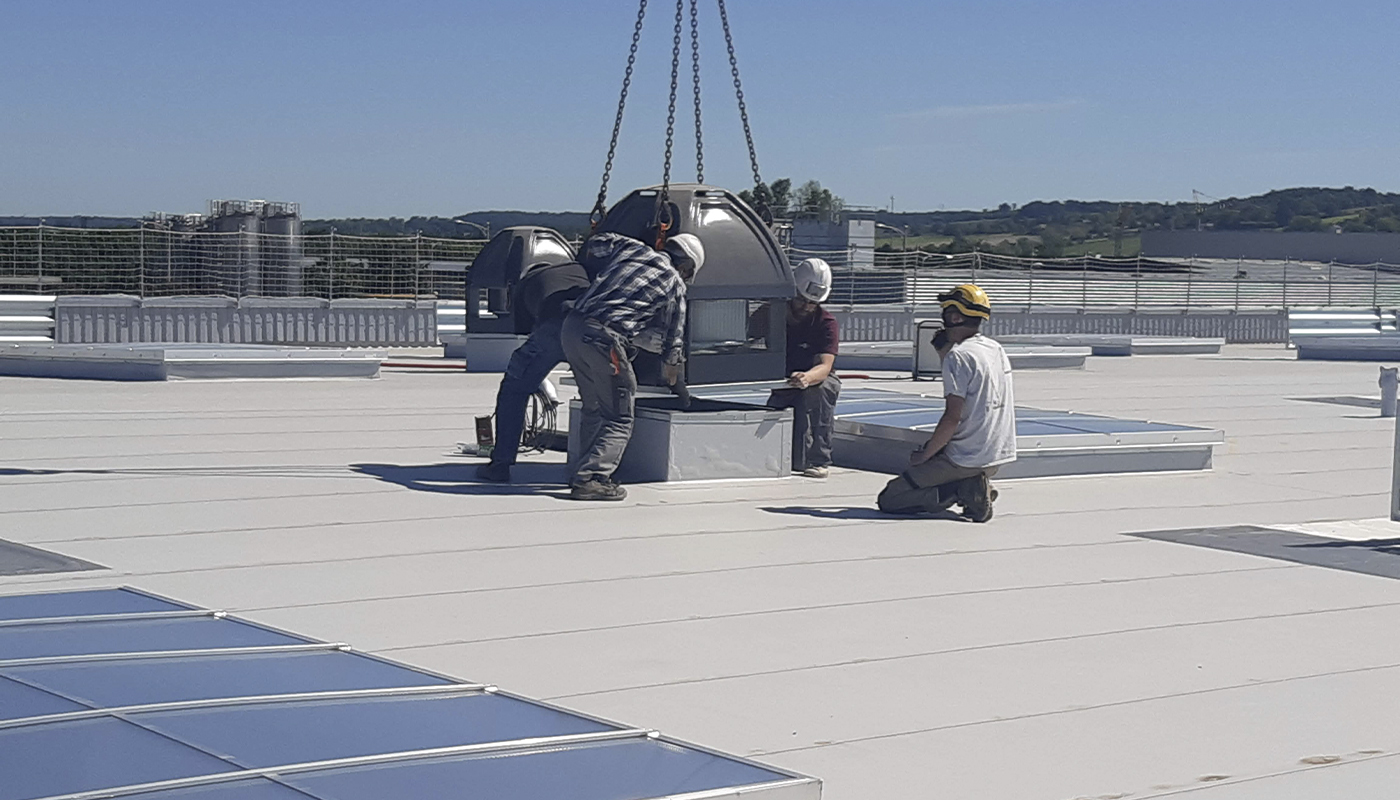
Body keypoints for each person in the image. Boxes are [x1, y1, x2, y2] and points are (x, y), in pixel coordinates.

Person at [561, 231, 705, 501]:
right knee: (620, 415)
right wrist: (676, 380)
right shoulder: (675, 284)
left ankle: (579, 470)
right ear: (685, 267)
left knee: (594, 407)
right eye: (687, 273)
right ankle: (591, 478)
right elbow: (673, 342)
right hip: (604, 339)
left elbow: (596, 243)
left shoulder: (634, 248)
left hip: (572, 328)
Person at [876, 284, 1015, 522]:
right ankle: (974, 488)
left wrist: (925, 456)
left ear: (954, 316)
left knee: (891, 498)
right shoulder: (995, 349)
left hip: (966, 458)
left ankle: (964, 489)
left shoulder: (958, 356)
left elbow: (953, 417)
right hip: (996, 454)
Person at [476, 260, 591, 483]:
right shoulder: (579, 268)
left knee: (513, 391)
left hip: (553, 329)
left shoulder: (525, 285)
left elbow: (527, 333)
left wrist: (537, 379)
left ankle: (500, 463)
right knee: (596, 399)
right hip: (590, 327)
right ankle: (592, 468)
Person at [760, 258, 840, 478]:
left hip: (813, 379)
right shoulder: (769, 315)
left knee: (822, 390)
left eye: (812, 303)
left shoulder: (826, 323)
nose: (807, 307)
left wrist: (807, 377)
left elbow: (825, 366)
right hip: (783, 381)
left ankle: (818, 459)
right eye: (802, 300)